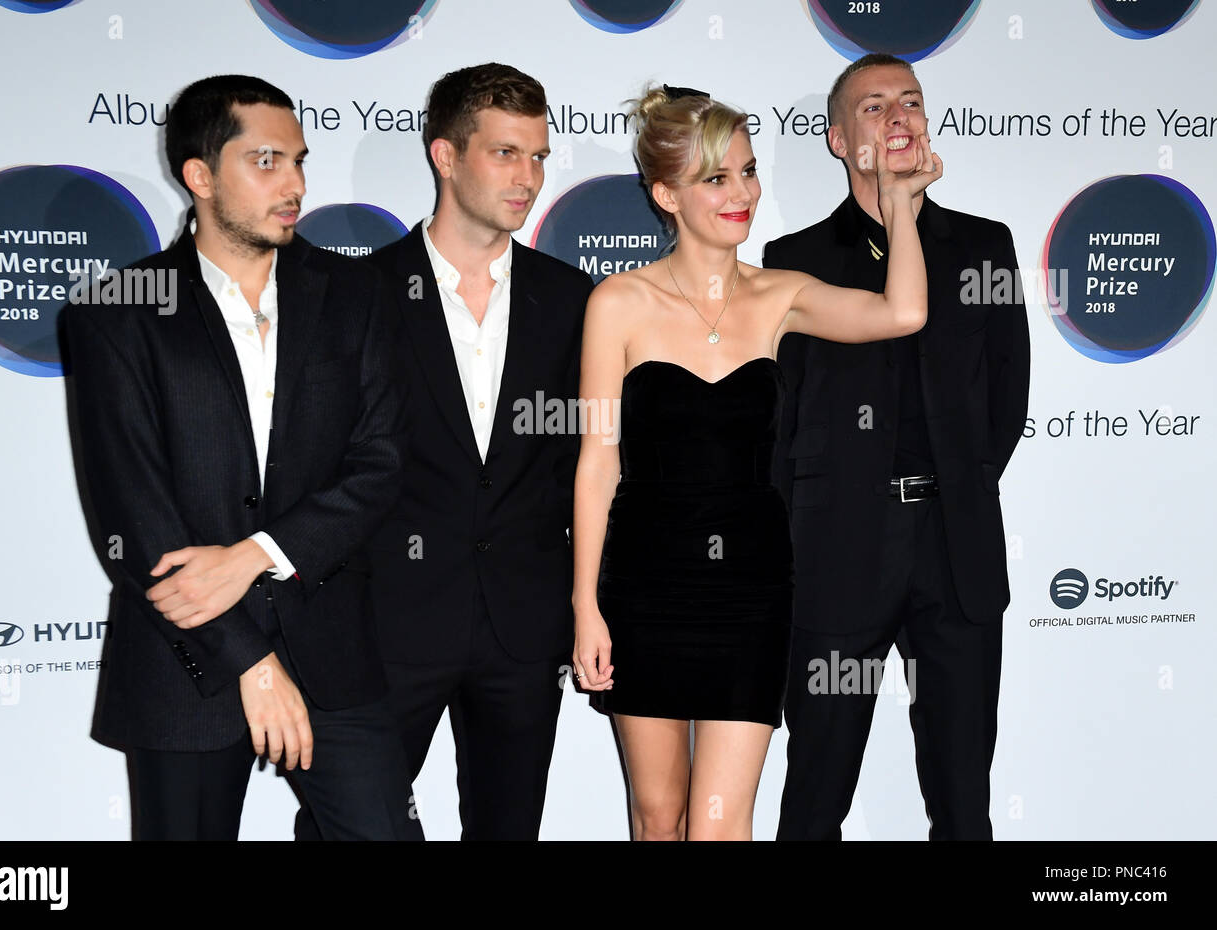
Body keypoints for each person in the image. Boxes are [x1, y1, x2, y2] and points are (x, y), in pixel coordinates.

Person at [572, 83, 941, 840]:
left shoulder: (781, 295)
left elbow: (902, 313)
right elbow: (597, 461)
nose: (741, 192)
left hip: (750, 587)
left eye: (746, 170)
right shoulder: (619, 303)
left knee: (718, 822)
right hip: (644, 582)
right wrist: (585, 605)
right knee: (658, 815)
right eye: (716, 178)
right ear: (665, 194)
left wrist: (900, 206)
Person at [62, 74, 421, 840]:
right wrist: (251, 663)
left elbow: (381, 461)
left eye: (299, 161)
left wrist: (259, 553)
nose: (294, 184)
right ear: (200, 175)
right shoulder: (116, 314)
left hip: (333, 651)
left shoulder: (357, 293)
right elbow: (134, 516)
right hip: (184, 658)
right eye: (266, 162)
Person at [298, 63, 591, 840]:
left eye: (537, 155)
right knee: (347, 828)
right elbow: (328, 470)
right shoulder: (357, 295)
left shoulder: (572, 297)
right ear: (445, 155)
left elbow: (584, 466)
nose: (527, 177)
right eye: (505, 154)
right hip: (390, 623)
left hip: (525, 628)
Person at [762, 54, 1030, 840]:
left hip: (957, 553)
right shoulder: (793, 261)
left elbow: (1006, 402)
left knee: (961, 800)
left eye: (910, 101)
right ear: (840, 140)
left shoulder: (987, 245)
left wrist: (959, 486)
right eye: (875, 107)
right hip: (837, 549)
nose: (899, 117)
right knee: (815, 797)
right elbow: (780, 420)